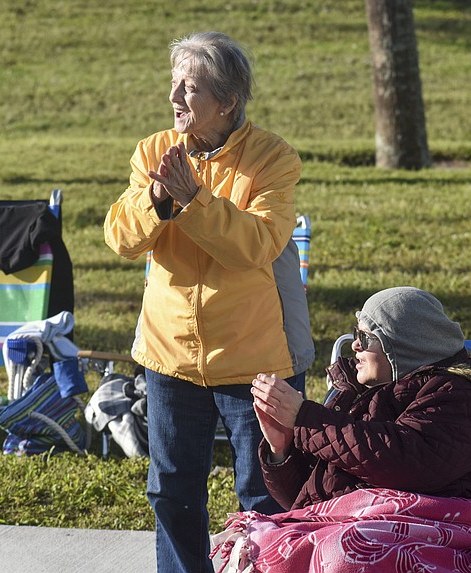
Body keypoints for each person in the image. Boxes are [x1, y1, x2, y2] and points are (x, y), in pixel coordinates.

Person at [103, 31, 312, 573]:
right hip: (170, 356)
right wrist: (156, 197)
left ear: (227, 102)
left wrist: (193, 200)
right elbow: (121, 238)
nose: (175, 97)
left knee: (264, 498)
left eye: (189, 88)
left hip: (257, 360)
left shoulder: (273, 159)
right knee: (172, 491)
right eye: (173, 84)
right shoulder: (153, 152)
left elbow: (258, 244)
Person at [212, 286, 471, 572]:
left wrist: (307, 420)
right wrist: (282, 449)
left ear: (402, 345)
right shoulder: (355, 395)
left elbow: (403, 462)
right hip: (374, 528)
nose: (356, 345)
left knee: (346, 551)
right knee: (271, 546)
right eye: (355, 333)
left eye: (367, 336)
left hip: (441, 534)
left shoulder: (458, 398)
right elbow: (310, 502)